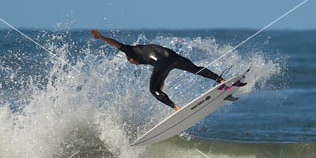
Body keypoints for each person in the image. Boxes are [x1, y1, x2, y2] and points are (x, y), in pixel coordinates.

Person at [90, 29, 226, 111]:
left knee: (153, 90)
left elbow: (116, 44)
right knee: (195, 69)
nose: (136, 64)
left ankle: (175, 107)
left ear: (131, 59)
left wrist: (101, 37)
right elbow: (164, 70)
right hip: (172, 56)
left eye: (134, 63)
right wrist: (161, 82)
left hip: (161, 62)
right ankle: (220, 79)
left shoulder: (130, 51)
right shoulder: (145, 48)